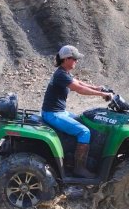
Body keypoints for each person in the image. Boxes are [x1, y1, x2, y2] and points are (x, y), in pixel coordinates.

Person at [41, 45, 113, 178]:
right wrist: (101, 94)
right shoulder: (60, 75)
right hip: (53, 114)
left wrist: (98, 87)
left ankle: (73, 157)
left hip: (60, 112)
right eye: (75, 59)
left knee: (82, 119)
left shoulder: (64, 72)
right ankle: (79, 168)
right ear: (66, 59)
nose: (77, 61)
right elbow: (79, 89)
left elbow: (79, 83)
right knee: (84, 131)